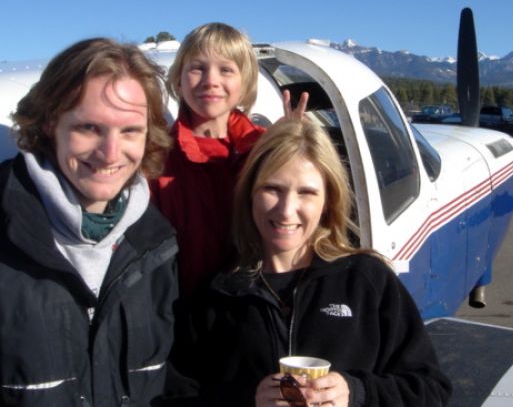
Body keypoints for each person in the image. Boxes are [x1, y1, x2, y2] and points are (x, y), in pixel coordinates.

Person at [177, 119, 452, 406]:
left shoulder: (366, 281)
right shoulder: (219, 295)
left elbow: (431, 389)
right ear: (250, 196)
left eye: (306, 193)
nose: (286, 211)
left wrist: (357, 393)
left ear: (328, 201)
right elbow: (178, 395)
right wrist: (248, 399)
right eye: (272, 189)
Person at [1, 38, 178, 406]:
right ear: (51, 122)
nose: (110, 153)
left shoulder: (157, 245)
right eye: (90, 128)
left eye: (130, 131)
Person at [150, 22, 307, 302]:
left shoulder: (265, 151)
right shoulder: (156, 158)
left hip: (257, 306)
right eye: (197, 67)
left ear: (245, 83)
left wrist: (292, 149)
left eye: (226, 69)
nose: (211, 80)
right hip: (183, 311)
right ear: (178, 80)